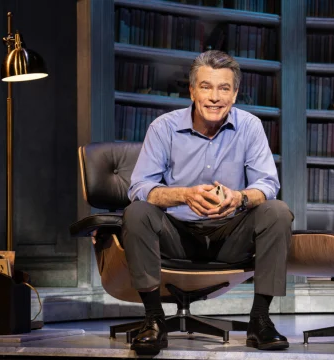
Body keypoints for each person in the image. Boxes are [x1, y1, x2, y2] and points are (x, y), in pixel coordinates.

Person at [124, 50, 293, 355]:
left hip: (229, 235)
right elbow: (139, 187)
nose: (215, 97)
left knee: (277, 211)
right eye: (206, 87)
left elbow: (267, 184)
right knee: (138, 212)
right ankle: (153, 321)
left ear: (235, 93)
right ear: (192, 91)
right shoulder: (163, 128)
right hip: (176, 234)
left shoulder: (251, 127)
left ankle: (260, 320)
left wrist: (239, 198)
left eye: (224, 88)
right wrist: (183, 194)